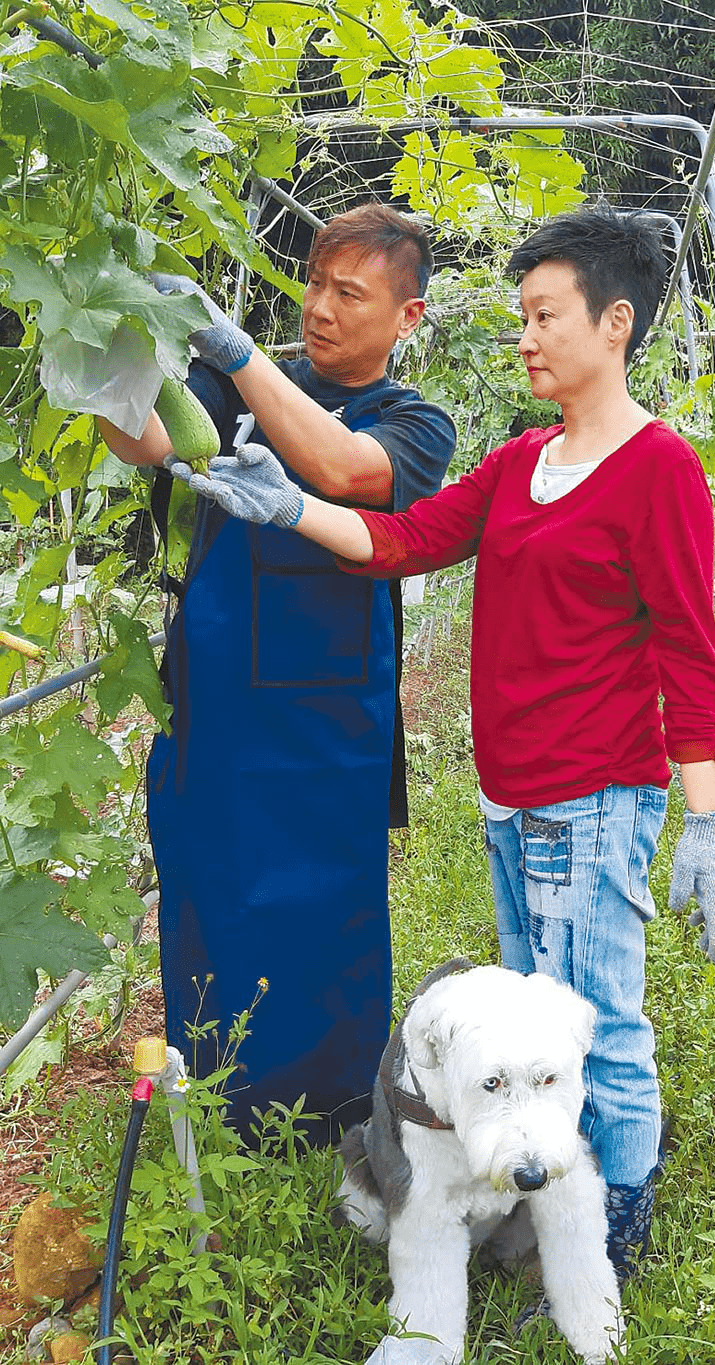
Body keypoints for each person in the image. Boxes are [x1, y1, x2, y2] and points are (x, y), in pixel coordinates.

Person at [165, 204, 715, 1281]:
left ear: (614, 325)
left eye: (544, 316)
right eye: (522, 315)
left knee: (599, 1029)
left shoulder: (657, 467)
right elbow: (402, 540)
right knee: (535, 1032)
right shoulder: (523, 463)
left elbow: (689, 649)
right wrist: (289, 513)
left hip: (595, 792)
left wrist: (700, 811)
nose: (525, 337)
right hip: (514, 796)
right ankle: (550, 1212)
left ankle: (613, 1233)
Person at [99, 204, 456, 1147]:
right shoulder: (236, 389)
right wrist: (107, 342)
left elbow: (341, 470)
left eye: (351, 292)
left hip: (330, 726)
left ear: (408, 319)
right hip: (217, 702)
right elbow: (142, 443)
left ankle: (334, 1110)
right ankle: (217, 1097)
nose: (322, 308)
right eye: (314, 283)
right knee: (213, 889)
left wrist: (232, 347)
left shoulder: (416, 422)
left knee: (323, 910)